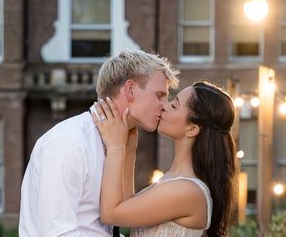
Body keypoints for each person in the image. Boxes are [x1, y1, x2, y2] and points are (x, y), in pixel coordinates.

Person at [19, 49, 180, 237]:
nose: (165, 105)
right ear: (130, 90)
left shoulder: (120, 144)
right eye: (159, 95)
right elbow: (58, 234)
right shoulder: (68, 143)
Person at [92, 81, 238, 237]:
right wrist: (129, 148)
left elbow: (111, 214)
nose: (164, 106)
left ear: (192, 129)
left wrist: (115, 147)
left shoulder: (186, 190)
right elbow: (127, 206)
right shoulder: (175, 179)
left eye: (174, 105)